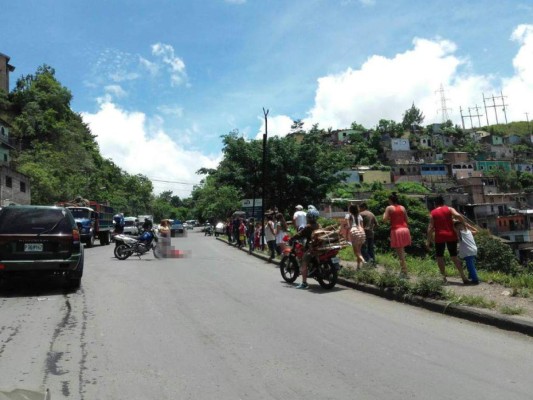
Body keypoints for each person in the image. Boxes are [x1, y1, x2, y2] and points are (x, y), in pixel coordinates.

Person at [427, 196, 470, 284]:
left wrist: (429, 240)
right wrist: (464, 226)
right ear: (443, 202)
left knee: (440, 257)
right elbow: (458, 215)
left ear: (435, 204)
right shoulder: (449, 209)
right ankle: (463, 276)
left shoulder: (433, 212)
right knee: (454, 256)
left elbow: (431, 227)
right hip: (451, 235)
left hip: (440, 236)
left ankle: (443, 278)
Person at [383, 192, 411, 278]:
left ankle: (404, 272)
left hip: (396, 230)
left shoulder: (389, 208)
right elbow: (407, 220)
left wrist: (384, 213)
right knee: (402, 251)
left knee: (400, 253)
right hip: (405, 230)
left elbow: (384, 220)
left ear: (390, 200)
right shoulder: (402, 207)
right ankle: (403, 271)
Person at [290, 209, 321, 289]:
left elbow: (300, 234)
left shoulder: (309, 227)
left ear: (309, 218)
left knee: (304, 262)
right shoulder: (319, 225)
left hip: (312, 247)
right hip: (319, 246)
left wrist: (292, 238)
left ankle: (304, 283)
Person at [454, 220, 480, 285]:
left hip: (468, 251)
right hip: (473, 250)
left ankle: (475, 280)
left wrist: (453, 222)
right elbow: (477, 231)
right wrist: (469, 226)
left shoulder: (460, 233)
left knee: (470, 266)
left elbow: (454, 229)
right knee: (470, 264)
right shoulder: (469, 231)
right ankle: (471, 277)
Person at [341, 204, 366, 269]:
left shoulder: (348, 215)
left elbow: (348, 226)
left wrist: (346, 236)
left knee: (356, 252)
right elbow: (362, 226)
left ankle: (363, 261)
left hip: (354, 232)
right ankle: (358, 267)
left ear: (350, 209)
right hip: (361, 232)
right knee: (359, 251)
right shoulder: (359, 216)